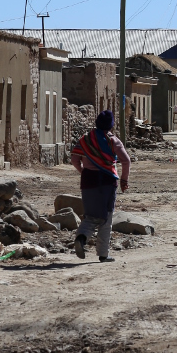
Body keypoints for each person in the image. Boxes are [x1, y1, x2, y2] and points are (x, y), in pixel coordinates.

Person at [70, 109, 130, 262]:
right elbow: (126, 161)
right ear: (110, 125)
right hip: (107, 182)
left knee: (90, 215)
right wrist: (124, 180)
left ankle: (82, 238)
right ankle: (103, 254)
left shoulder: (85, 139)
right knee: (106, 217)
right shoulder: (113, 141)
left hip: (88, 181)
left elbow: (74, 159)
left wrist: (83, 171)